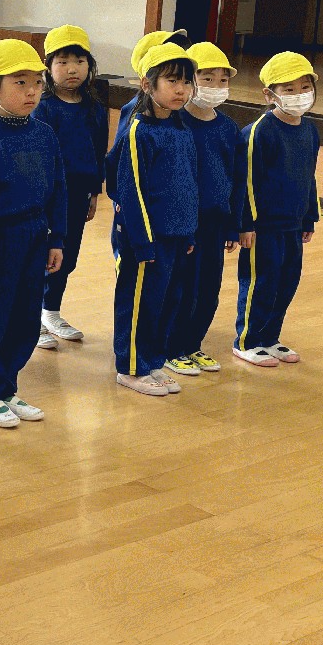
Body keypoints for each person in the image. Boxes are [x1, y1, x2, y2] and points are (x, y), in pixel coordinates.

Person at [0, 40, 67, 428]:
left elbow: (59, 190)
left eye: (37, 82)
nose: (31, 91)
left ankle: (7, 387)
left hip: (34, 236)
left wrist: (56, 239)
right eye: (20, 83)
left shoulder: (45, 134)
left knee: (24, 318)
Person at [106, 42, 198, 396]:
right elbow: (130, 192)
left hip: (176, 235)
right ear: (147, 84)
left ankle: (152, 360)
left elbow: (188, 183)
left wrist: (189, 231)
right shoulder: (138, 132)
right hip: (146, 240)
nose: (181, 89)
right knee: (138, 304)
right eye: (172, 81)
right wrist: (143, 242)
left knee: (165, 302)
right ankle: (131, 367)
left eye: (186, 82)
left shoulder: (182, 128)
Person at [233, 51, 320, 369]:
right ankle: (247, 340)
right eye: (289, 89)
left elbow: (309, 176)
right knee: (261, 282)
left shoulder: (309, 131)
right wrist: (245, 223)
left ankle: (270, 336)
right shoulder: (259, 132)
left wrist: (309, 216)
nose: (299, 95)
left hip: (292, 225)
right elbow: (245, 182)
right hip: (263, 228)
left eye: (304, 87)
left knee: (286, 281)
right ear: (270, 95)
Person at [169, 41, 248, 373]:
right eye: (207, 78)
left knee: (208, 289)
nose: (216, 86)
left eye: (222, 80)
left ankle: (193, 345)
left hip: (215, 223)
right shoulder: (176, 123)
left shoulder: (229, 128)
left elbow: (237, 180)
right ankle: (172, 347)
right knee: (182, 287)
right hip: (183, 224)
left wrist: (234, 224)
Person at [34, 25, 106, 347]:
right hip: (47, 196)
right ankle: (31, 316)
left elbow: (98, 151)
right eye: (62, 61)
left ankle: (51, 311)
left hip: (78, 194)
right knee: (42, 255)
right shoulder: (43, 107)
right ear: (48, 67)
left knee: (67, 256)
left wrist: (94, 191)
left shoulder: (94, 107)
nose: (72, 68)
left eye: (79, 61)